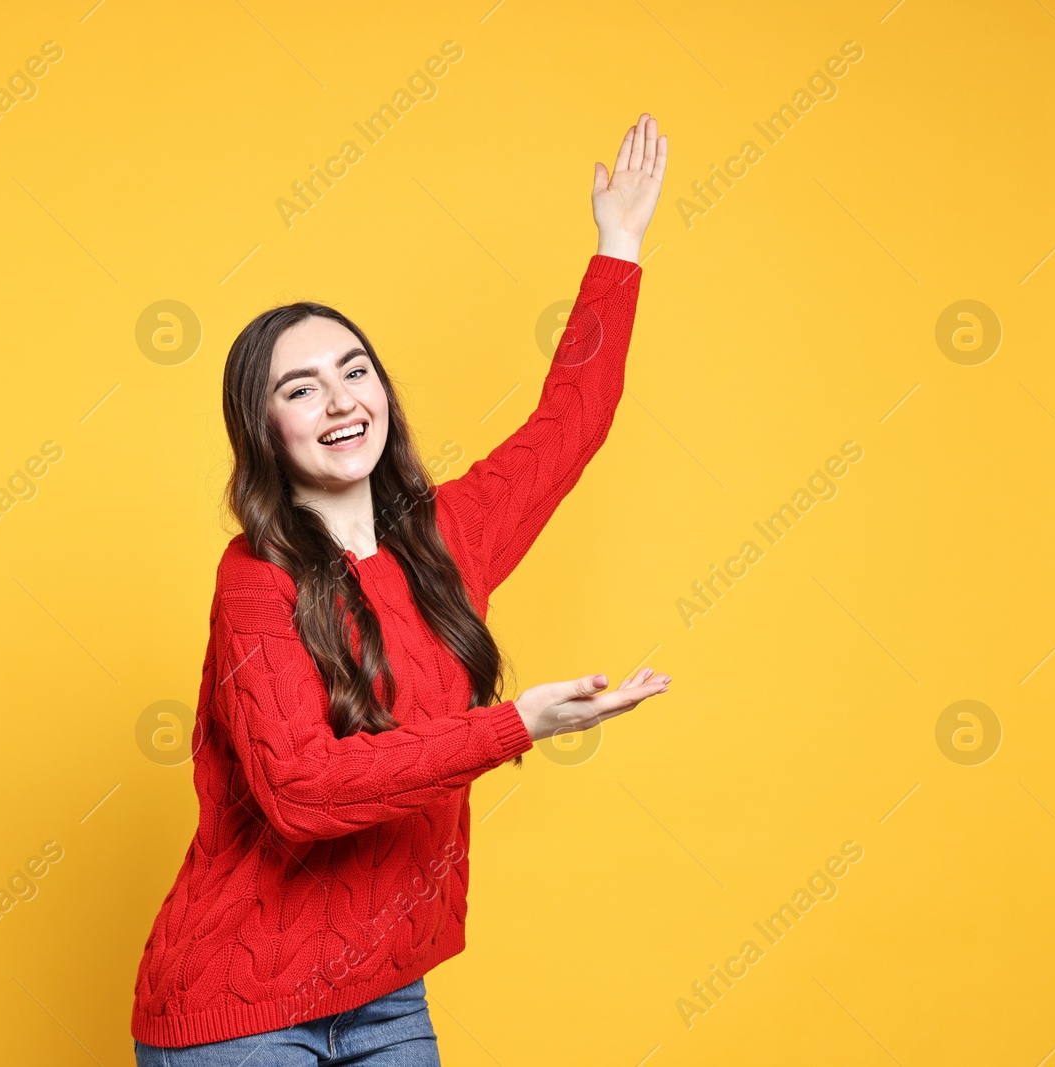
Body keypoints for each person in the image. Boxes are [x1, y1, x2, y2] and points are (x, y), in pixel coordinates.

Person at [133, 115, 672, 1065]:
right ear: (262, 431)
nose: (341, 400)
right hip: (240, 1010)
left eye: (355, 371)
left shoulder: (447, 538)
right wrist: (516, 726)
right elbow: (300, 789)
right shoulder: (256, 580)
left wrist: (618, 243)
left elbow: (570, 422)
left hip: (386, 991)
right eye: (300, 389)